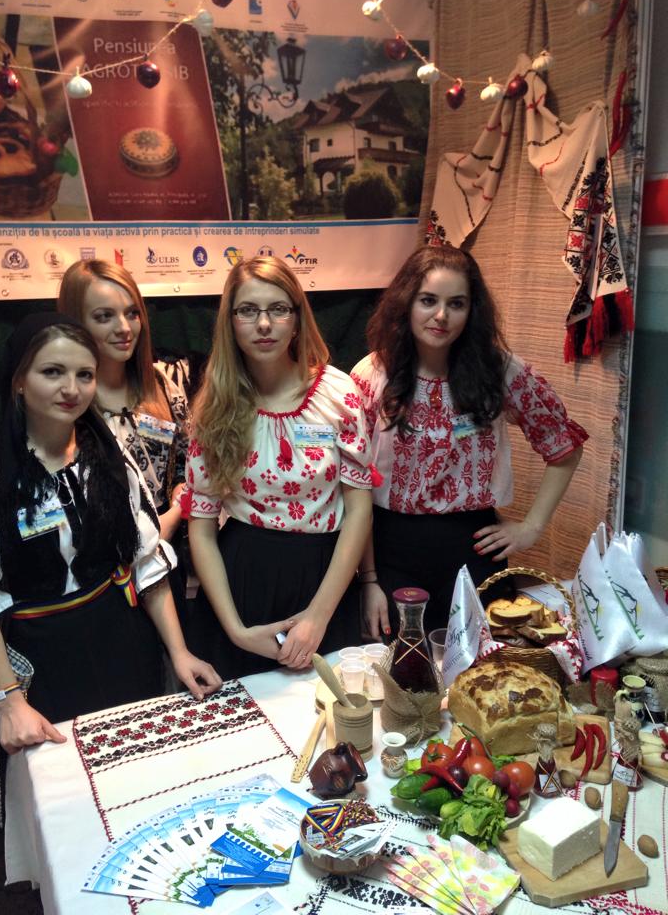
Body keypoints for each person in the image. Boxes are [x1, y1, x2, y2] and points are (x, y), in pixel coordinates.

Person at [0, 313, 221, 761]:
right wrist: (9, 702)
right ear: (19, 381)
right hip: (37, 661)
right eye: (52, 372)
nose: (71, 388)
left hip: (123, 640)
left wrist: (179, 652)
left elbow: (145, 562)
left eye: (84, 375)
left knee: (141, 761)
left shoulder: (108, 458)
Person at [351, 245, 588, 639]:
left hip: (473, 551)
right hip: (389, 553)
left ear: (472, 310)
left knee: (481, 667)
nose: (441, 316)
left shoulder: (498, 371)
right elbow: (352, 481)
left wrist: (531, 527)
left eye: (456, 303)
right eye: (428, 300)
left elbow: (564, 445)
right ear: (406, 302)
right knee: (399, 667)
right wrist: (367, 579)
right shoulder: (374, 373)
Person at [185, 256, 374, 680]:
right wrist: (236, 631)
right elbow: (201, 529)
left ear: (297, 318)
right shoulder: (215, 406)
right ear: (230, 322)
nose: (264, 324)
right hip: (241, 581)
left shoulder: (338, 393)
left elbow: (359, 510)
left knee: (330, 707)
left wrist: (318, 617)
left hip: (325, 579)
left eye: (278, 309)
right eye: (248, 310)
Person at [57, 259, 196, 629]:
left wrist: (173, 508)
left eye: (132, 313)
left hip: (167, 560)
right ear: (76, 322)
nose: (124, 328)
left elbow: (189, 465)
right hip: (102, 574)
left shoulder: (162, 383)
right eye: (104, 316)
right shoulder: (67, 399)